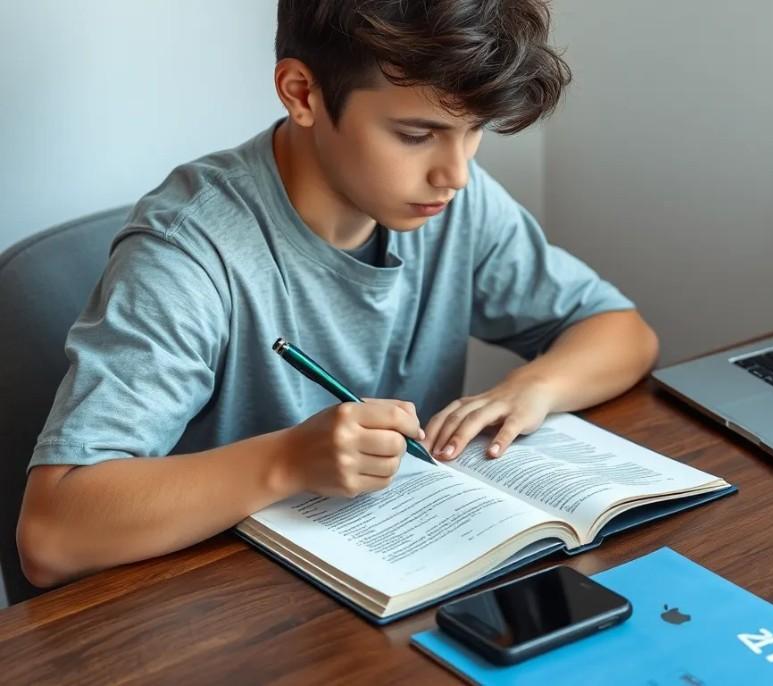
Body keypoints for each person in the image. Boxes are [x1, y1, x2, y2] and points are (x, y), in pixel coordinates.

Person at [17, 0, 658, 588]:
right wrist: (288, 460)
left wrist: (530, 388)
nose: (455, 173)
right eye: (415, 135)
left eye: (473, 131)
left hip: (402, 575)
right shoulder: (187, 252)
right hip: (217, 605)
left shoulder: (451, 204)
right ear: (303, 93)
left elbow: (622, 332)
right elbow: (52, 534)